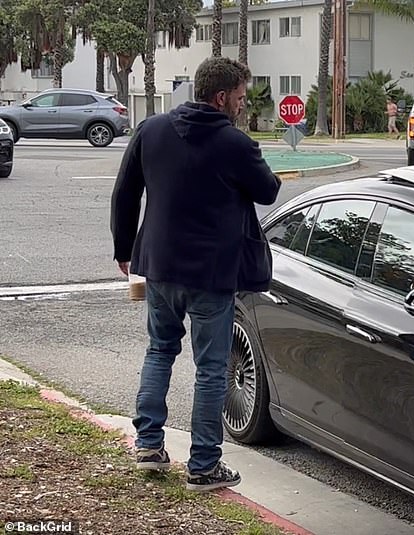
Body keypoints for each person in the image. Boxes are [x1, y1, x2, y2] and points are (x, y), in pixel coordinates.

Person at [110, 57, 281, 492]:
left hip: (160, 267)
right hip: (212, 275)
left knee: (159, 352)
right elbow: (268, 190)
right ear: (221, 97)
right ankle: (203, 465)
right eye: (241, 98)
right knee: (210, 369)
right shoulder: (234, 143)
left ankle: (148, 447)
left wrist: (123, 250)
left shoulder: (151, 130)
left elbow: (125, 194)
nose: (243, 106)